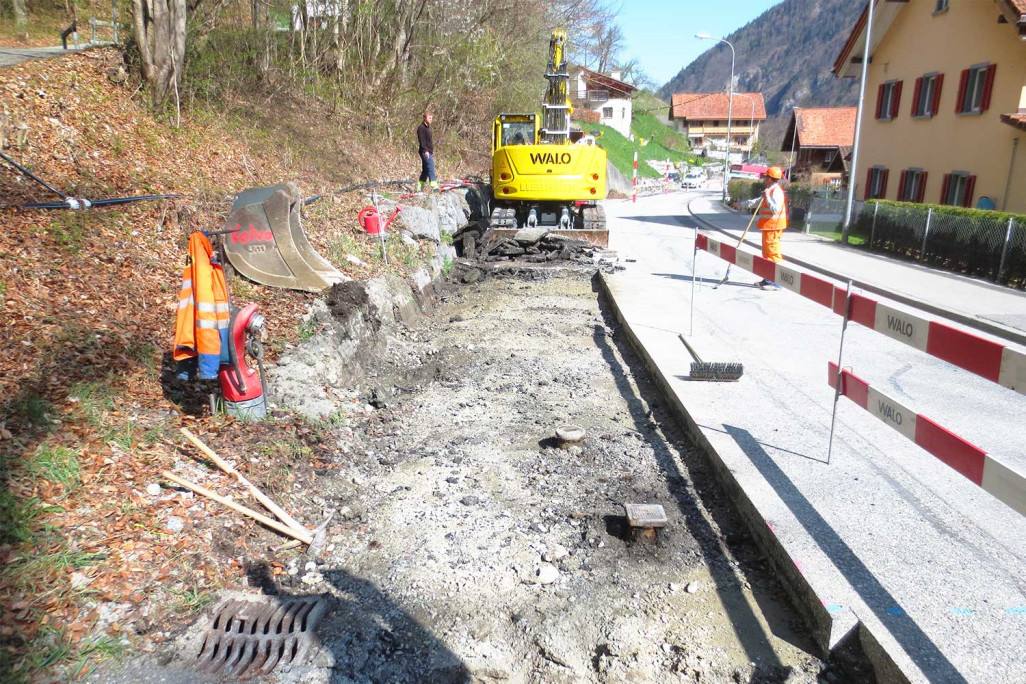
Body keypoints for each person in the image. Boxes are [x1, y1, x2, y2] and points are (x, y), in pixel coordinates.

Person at [749, 166, 788, 290]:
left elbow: (775, 209)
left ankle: (776, 283)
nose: (764, 179)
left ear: (770, 178)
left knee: (773, 255)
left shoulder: (776, 191)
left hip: (773, 227)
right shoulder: (769, 190)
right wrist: (742, 204)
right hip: (768, 227)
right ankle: (768, 279)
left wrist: (768, 198)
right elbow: (757, 202)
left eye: (766, 177)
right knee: (767, 255)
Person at [416, 109, 438, 192]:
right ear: (425, 118)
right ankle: (434, 187)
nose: (431, 120)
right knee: (430, 167)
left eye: (432, 118)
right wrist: (425, 151)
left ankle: (419, 188)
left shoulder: (427, 128)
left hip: (429, 151)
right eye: (429, 118)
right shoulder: (421, 128)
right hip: (425, 152)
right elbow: (422, 141)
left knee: (425, 170)